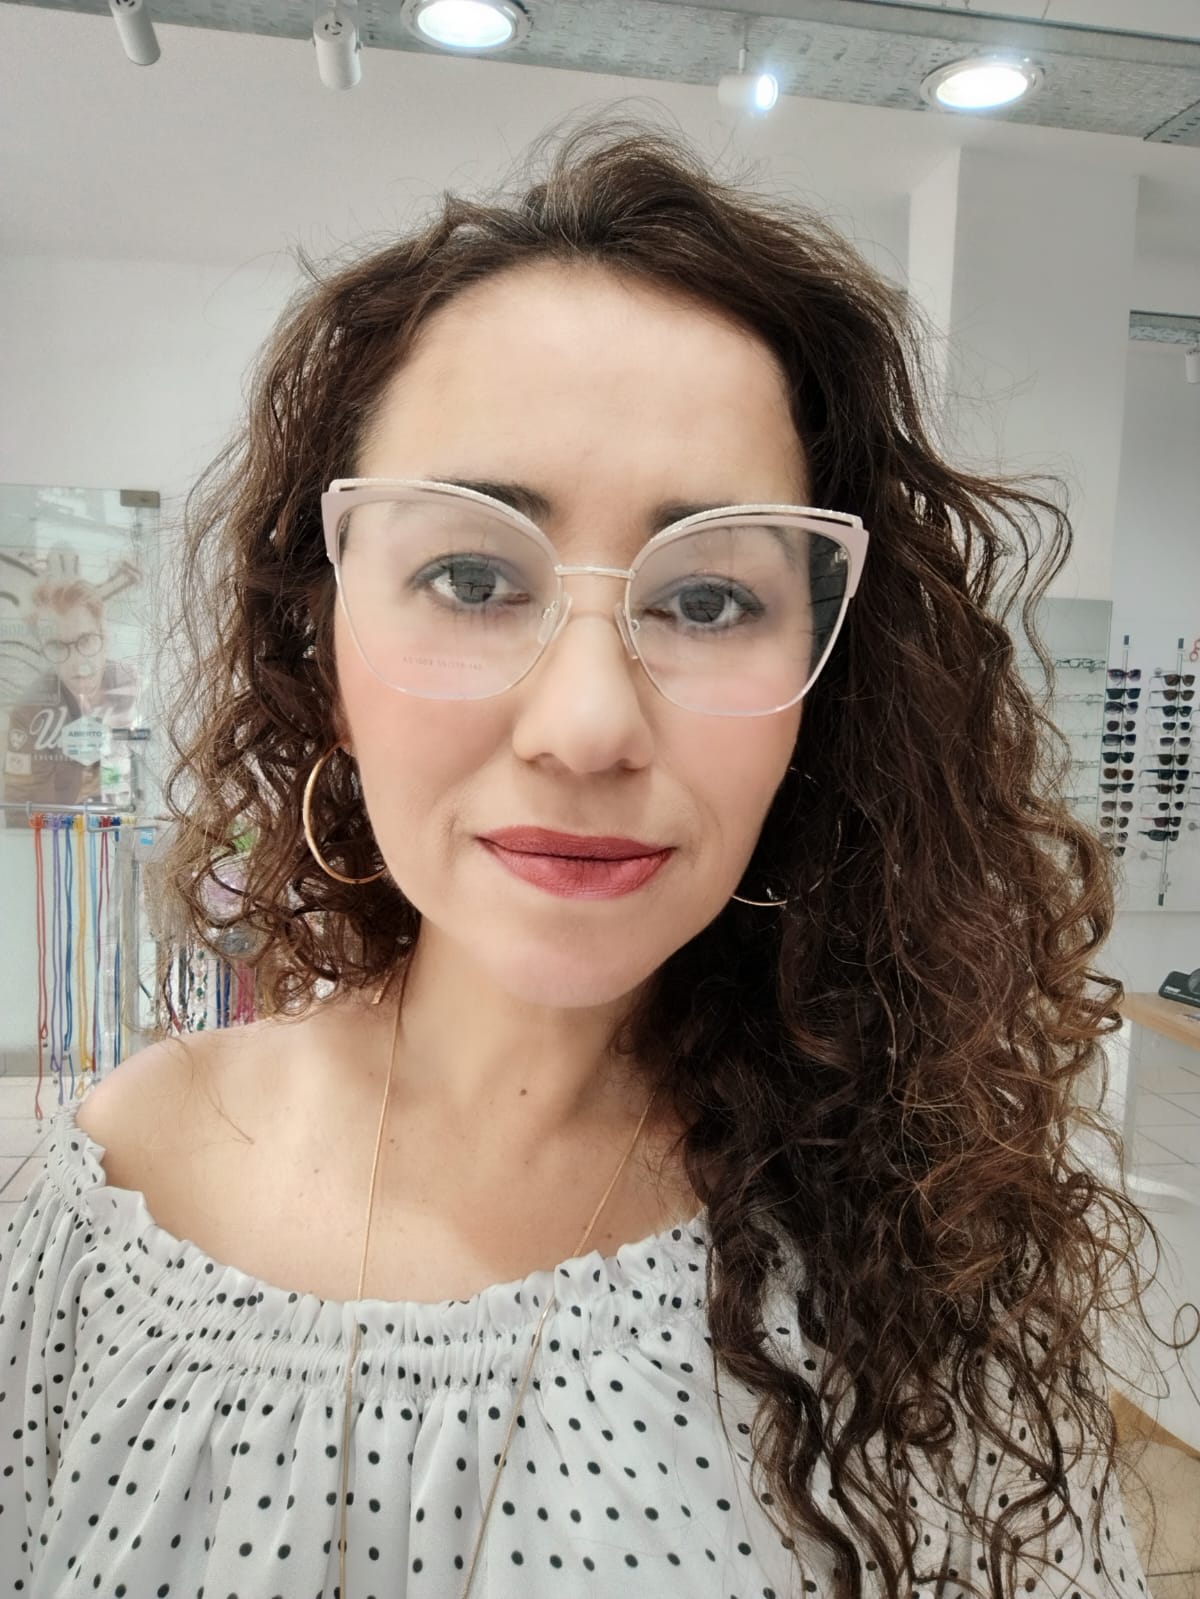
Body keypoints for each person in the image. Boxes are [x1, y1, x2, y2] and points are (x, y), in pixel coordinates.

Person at [0, 117, 1166, 1599]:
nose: (588, 725)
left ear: (822, 689)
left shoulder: (921, 1275)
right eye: (472, 575)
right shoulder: (122, 1190)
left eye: (708, 599)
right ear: (324, 640)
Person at [1, 575, 139, 818]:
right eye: (57, 646)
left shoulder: (136, 688)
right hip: (65, 836)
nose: (77, 661)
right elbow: (23, 813)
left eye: (85, 640)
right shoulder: (30, 713)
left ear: (104, 638)